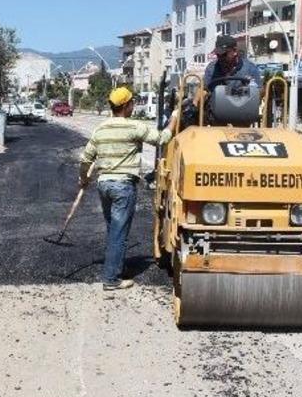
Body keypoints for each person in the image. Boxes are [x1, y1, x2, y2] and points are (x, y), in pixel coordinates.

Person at [79, 87, 176, 291]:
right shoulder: (133, 126)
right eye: (132, 102)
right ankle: (111, 279)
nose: (133, 105)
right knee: (118, 232)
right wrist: (174, 119)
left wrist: (83, 180)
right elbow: (162, 139)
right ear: (125, 106)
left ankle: (116, 266)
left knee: (113, 228)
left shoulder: (100, 129)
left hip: (104, 185)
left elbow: (86, 158)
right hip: (123, 185)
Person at [180, 35, 263, 129]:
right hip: (216, 116)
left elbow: (258, 91)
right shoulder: (212, 68)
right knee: (187, 111)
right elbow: (204, 88)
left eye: (224, 54)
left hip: (242, 115)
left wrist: (236, 92)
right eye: (218, 55)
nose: (220, 57)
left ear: (235, 51)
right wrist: (194, 105)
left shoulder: (250, 68)